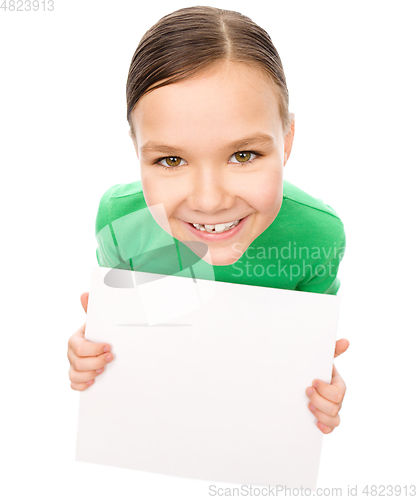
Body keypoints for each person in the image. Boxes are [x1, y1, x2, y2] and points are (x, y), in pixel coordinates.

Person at [67, 6, 349, 434]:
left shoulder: (317, 235)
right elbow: (130, 335)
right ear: (136, 149)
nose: (210, 200)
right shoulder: (119, 220)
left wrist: (316, 393)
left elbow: (295, 364)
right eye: (171, 159)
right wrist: (91, 352)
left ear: (287, 141)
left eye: (244, 155)